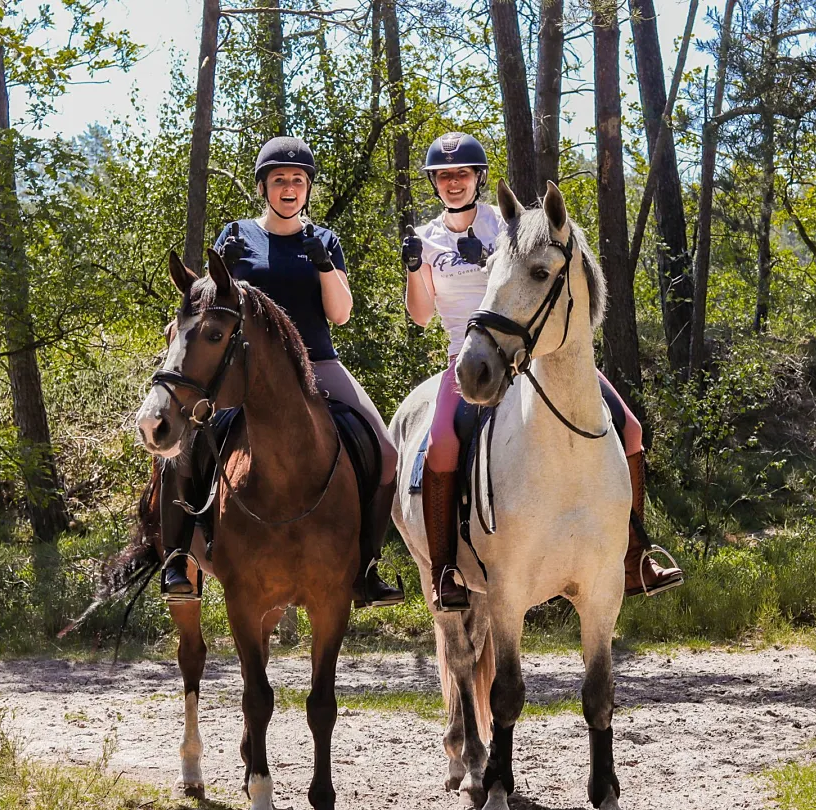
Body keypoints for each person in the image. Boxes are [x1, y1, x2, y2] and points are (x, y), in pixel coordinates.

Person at [401, 131, 683, 611]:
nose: (453, 183)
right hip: (467, 356)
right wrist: (413, 270)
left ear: (478, 179)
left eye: (462, 175)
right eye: (444, 176)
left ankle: (634, 553)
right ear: (434, 183)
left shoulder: (506, 223)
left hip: (537, 350)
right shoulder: (427, 240)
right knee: (443, 444)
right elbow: (422, 315)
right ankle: (446, 568)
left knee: (630, 427)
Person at [160, 136, 404, 608]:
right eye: (279, 180)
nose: (289, 188)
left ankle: (367, 568)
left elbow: (341, 314)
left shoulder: (324, 239)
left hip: (318, 364)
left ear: (308, 187)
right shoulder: (235, 236)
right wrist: (218, 276)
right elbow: (204, 309)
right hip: (245, 374)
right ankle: (177, 556)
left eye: (297, 180)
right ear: (263, 188)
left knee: (388, 454)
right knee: (183, 447)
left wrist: (324, 264)